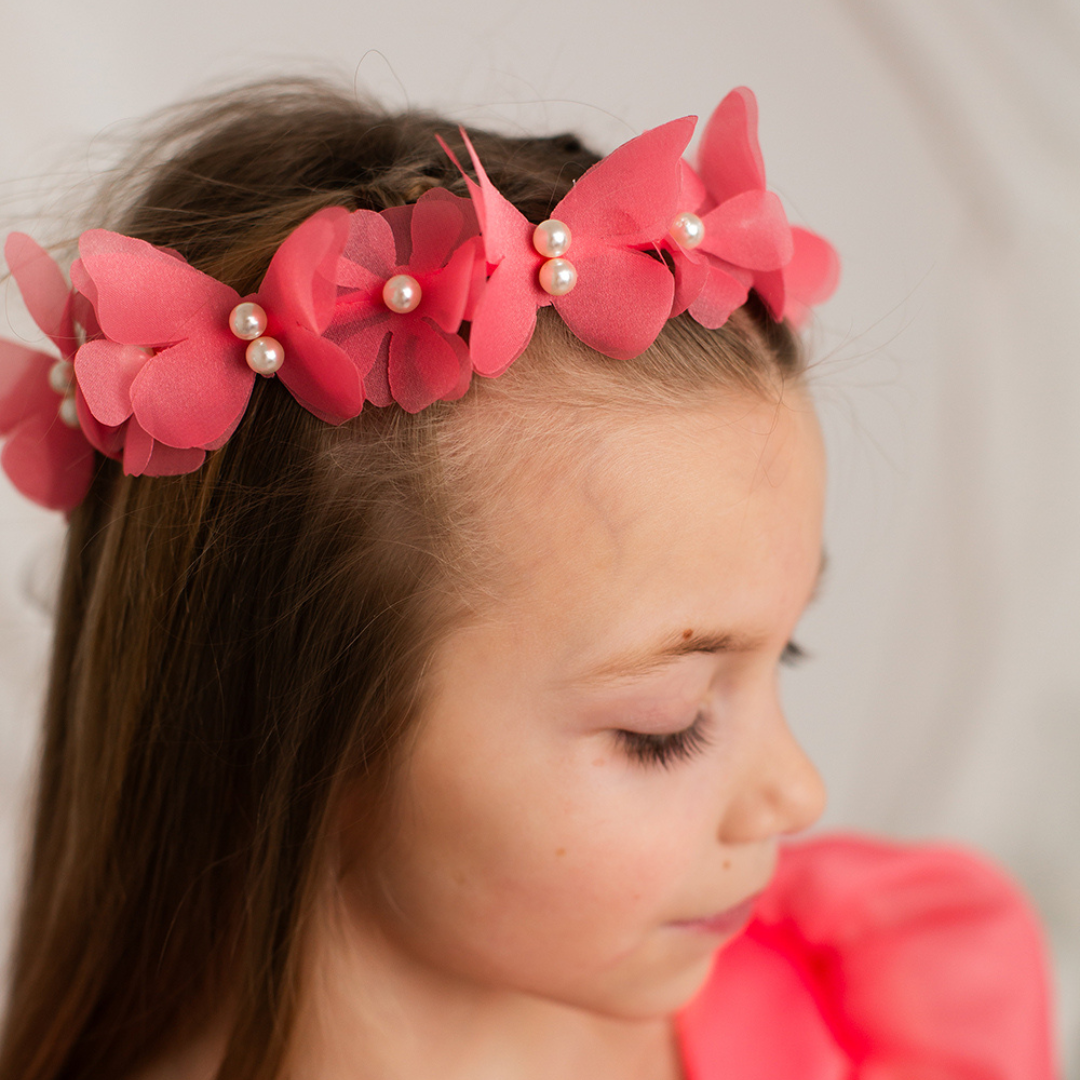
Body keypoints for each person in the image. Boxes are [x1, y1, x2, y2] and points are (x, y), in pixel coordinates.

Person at [0, 77, 1057, 1080]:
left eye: (790, 650)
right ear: (291, 722)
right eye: (668, 725)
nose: (798, 794)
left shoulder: (894, 1001)